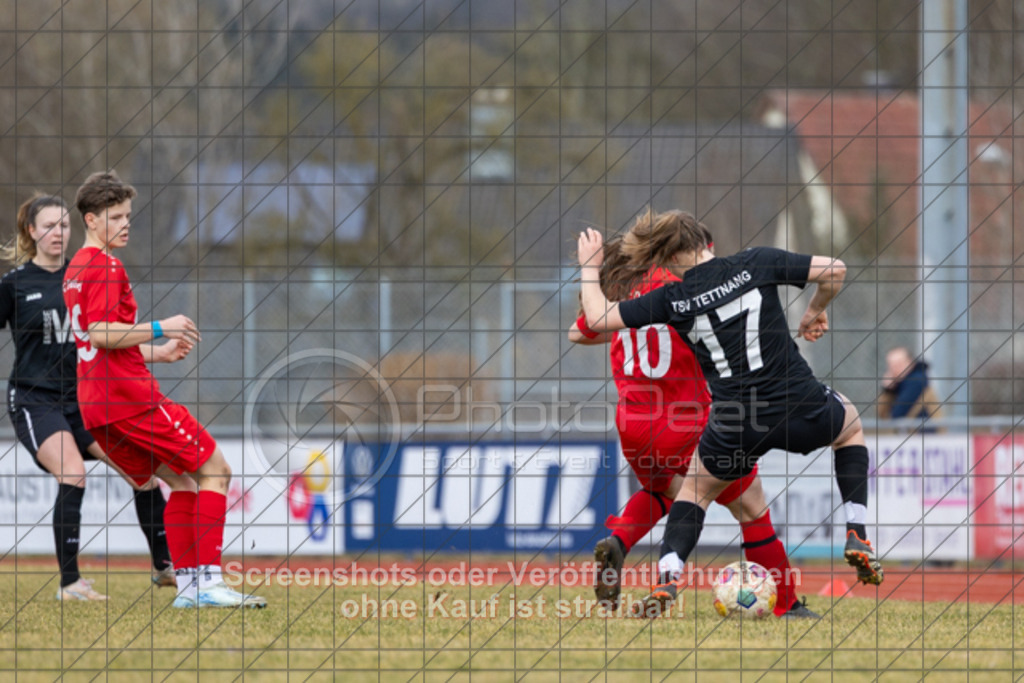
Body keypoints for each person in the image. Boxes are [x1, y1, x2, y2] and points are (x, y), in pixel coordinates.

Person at [575, 210, 883, 613]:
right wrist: (813, 311)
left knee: (687, 494)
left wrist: (589, 267)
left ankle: (663, 576)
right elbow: (834, 269)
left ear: (665, 256)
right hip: (777, 404)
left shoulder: (670, 298)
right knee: (843, 433)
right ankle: (847, 540)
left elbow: (591, 322)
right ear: (706, 244)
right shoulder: (755, 261)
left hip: (701, 421)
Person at [62, 171, 265, 609]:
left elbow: (96, 345)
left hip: (97, 406)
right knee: (216, 470)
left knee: (180, 482)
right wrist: (160, 326)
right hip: (130, 400)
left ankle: (190, 590)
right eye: (115, 216)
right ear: (91, 220)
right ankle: (209, 582)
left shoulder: (74, 270)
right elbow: (99, 333)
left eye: (128, 215)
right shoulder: (105, 265)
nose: (125, 223)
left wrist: (157, 350)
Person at [0, 194, 176, 601]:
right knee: (73, 472)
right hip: (34, 401)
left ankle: (164, 567)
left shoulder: (83, 275)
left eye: (64, 225)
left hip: (83, 401)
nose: (58, 233)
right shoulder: (14, 285)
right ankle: (70, 584)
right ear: (31, 231)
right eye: (48, 226)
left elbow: (101, 342)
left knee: (143, 473)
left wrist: (160, 353)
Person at [878, 346, 942, 424]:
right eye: (892, 365)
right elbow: (882, 414)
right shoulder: (898, 385)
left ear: (911, 363)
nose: (895, 369)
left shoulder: (916, 380)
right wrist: (888, 390)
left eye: (899, 364)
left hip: (928, 434)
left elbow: (896, 416)